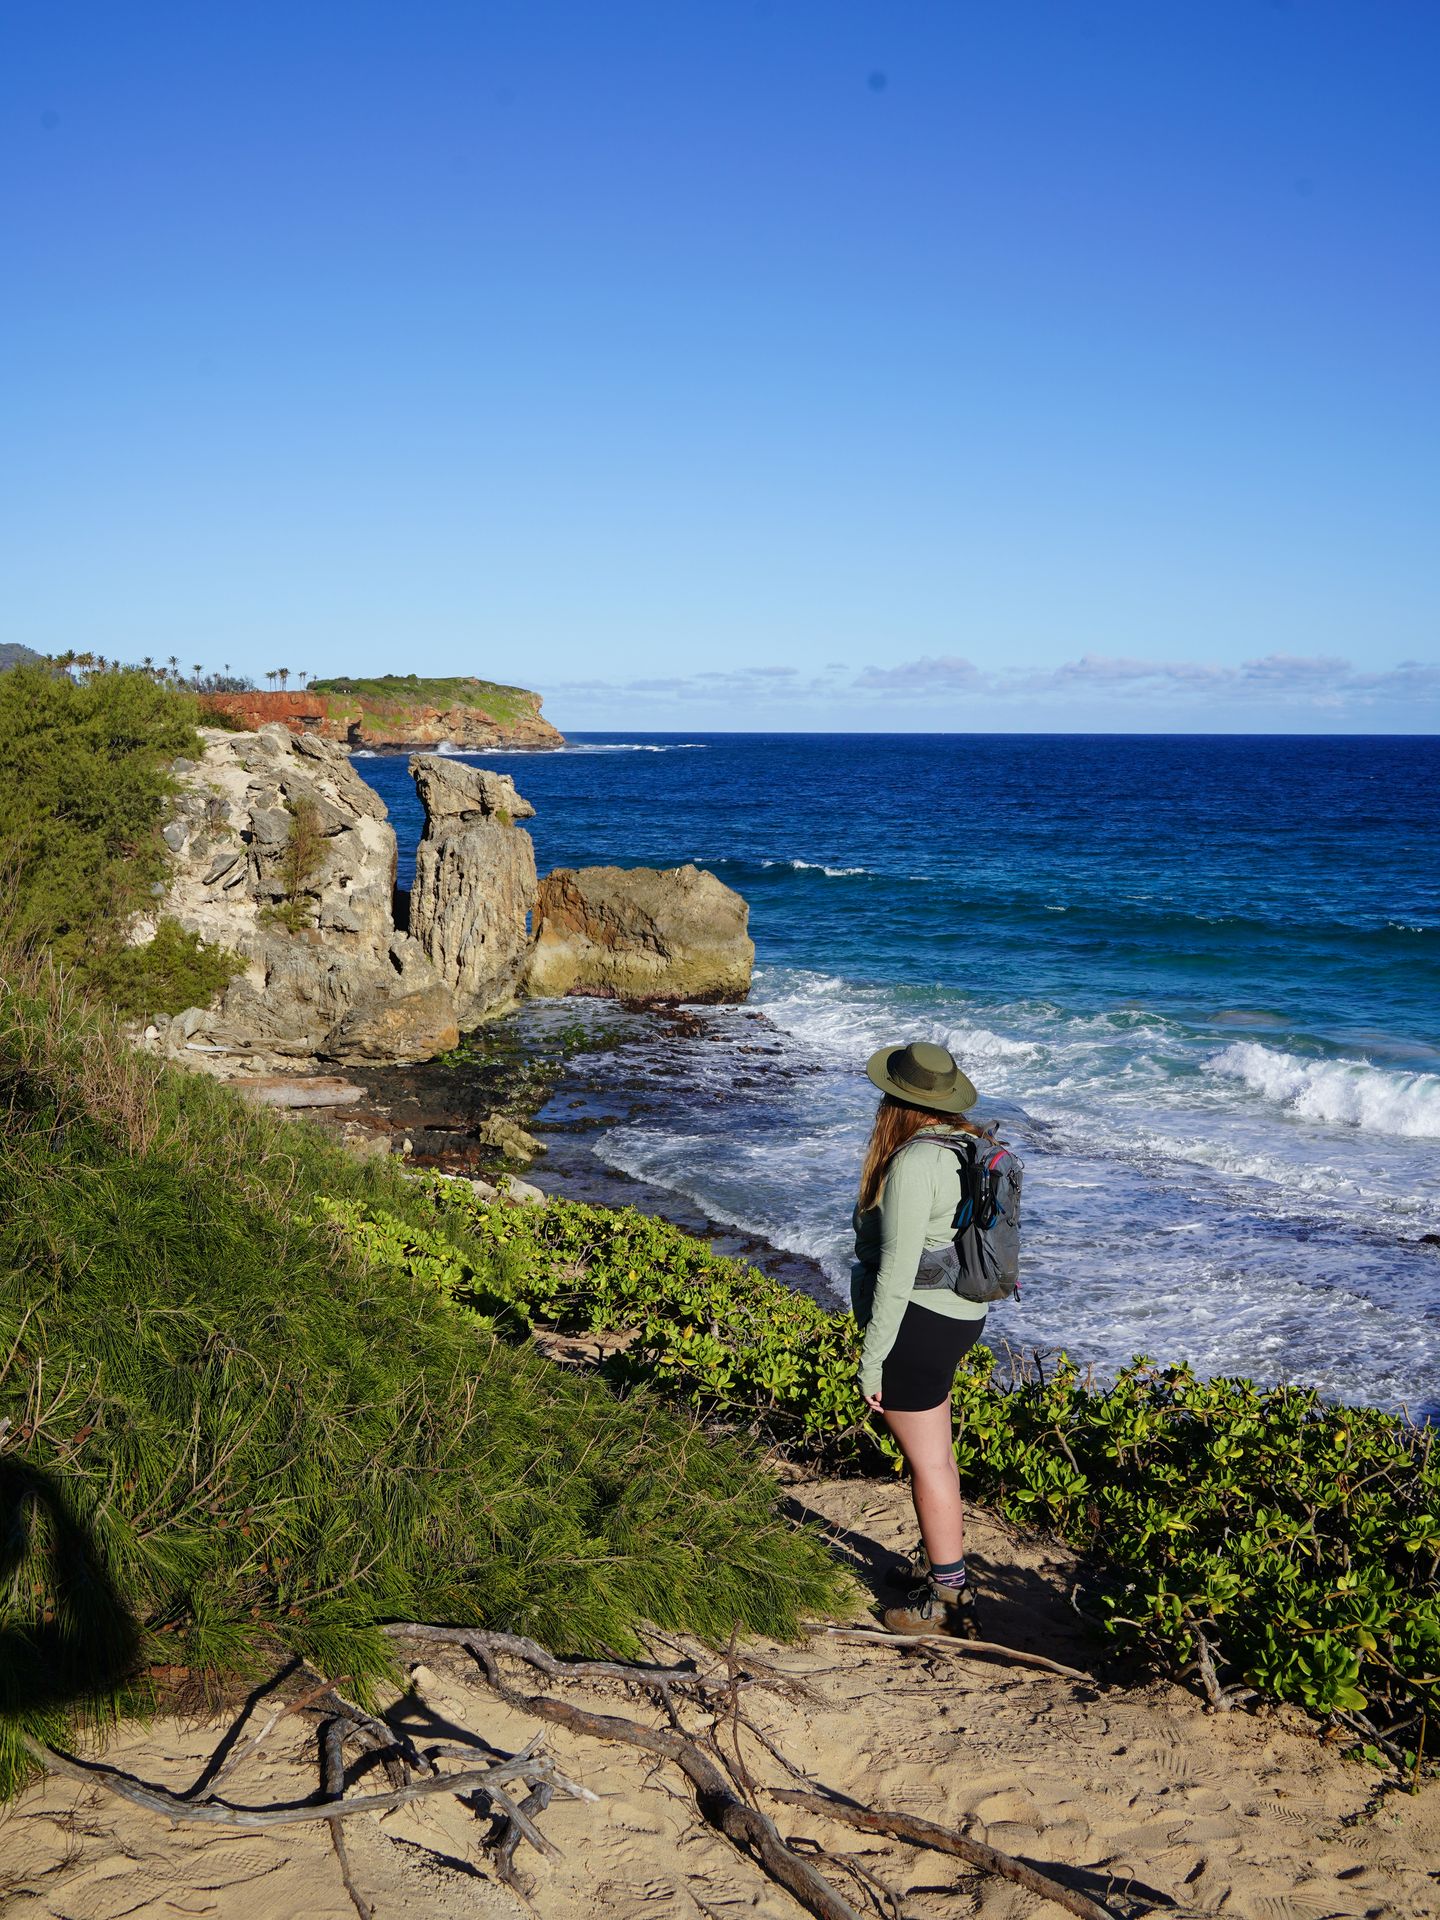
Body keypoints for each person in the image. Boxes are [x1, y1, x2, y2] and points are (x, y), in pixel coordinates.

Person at [851, 1040, 989, 1638]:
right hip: (960, 1316)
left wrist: (871, 1361)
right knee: (939, 1456)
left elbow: (897, 1271)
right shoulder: (970, 1148)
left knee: (928, 1464)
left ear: (895, 1100)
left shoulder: (912, 1162)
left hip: (918, 1323)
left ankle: (946, 1598)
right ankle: (947, 1572)